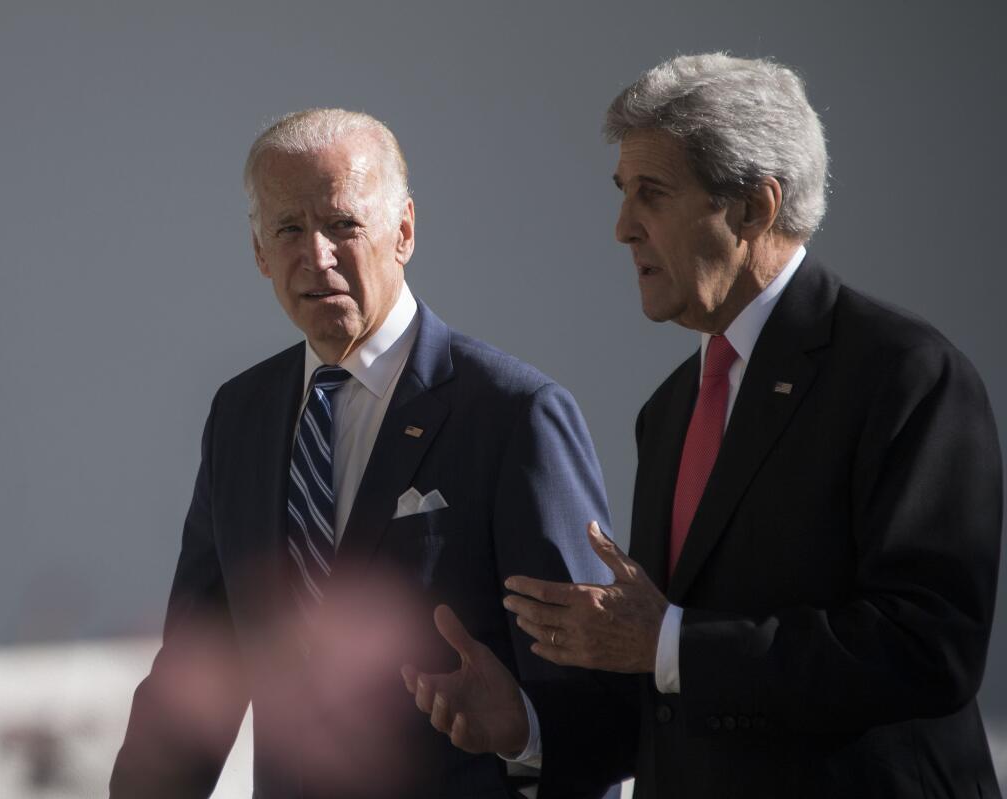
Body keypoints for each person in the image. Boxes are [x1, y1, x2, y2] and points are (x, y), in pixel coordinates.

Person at [404, 53, 1003, 798]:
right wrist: (524, 726)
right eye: (623, 193)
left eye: (651, 194)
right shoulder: (672, 407)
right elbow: (670, 689)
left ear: (755, 207)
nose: (623, 227)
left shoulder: (907, 375)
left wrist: (668, 640)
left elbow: (927, 649)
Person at [109, 108, 613, 798]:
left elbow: (587, 708)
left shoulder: (513, 413)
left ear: (402, 231)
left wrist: (526, 729)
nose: (317, 256)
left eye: (343, 224)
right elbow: (200, 662)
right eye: (289, 229)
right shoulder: (241, 415)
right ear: (259, 252)